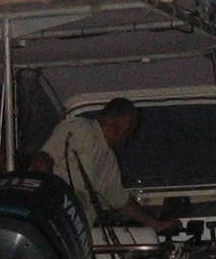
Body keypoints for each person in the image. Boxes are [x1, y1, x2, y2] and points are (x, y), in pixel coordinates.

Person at [28, 96, 181, 236]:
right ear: (125, 121)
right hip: (56, 222)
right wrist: (48, 199)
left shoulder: (110, 161)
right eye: (133, 127)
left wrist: (156, 225)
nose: (132, 134)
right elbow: (43, 159)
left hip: (79, 232)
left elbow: (121, 201)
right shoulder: (81, 129)